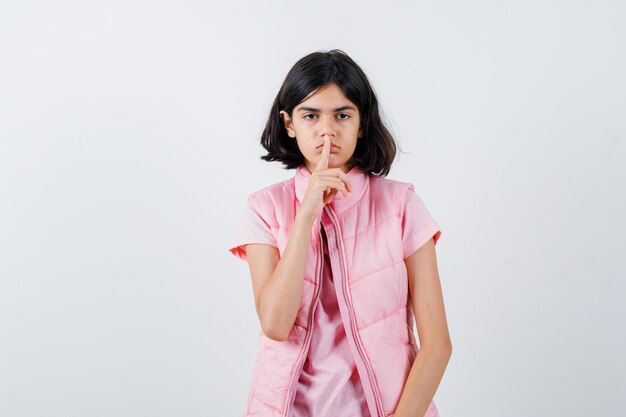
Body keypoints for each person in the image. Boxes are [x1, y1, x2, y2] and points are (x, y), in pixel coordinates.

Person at [228, 49, 452, 417]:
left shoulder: (402, 206)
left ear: (362, 123)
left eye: (343, 115)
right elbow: (275, 324)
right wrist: (306, 215)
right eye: (311, 115)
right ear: (288, 123)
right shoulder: (263, 209)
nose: (327, 129)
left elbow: (438, 344)